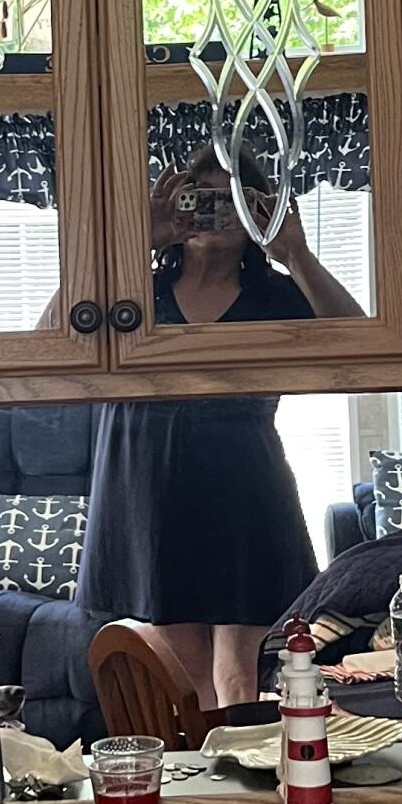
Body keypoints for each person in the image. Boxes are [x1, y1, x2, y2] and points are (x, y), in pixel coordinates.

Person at [76, 159, 353, 707]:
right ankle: (213, 785)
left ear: (260, 213)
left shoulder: (276, 295)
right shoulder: (131, 290)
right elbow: (51, 344)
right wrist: (133, 243)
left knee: (238, 680)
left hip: (242, 490)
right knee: (189, 678)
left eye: (235, 199)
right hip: (146, 488)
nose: (215, 209)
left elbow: (366, 348)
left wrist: (294, 251)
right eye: (199, 196)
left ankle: (250, 786)